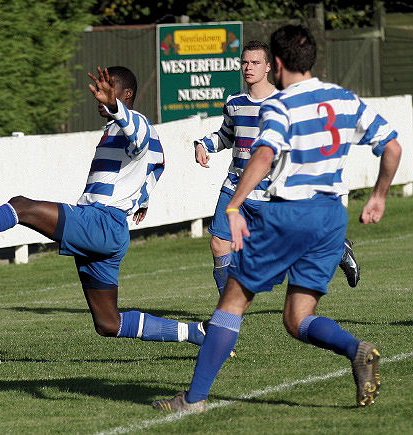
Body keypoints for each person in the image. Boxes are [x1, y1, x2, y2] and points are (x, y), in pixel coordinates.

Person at [153, 25, 401, 413]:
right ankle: (357, 349)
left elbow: (264, 155)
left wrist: (234, 204)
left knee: (232, 302)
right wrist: (379, 195)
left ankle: (193, 399)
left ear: (278, 63)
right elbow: (393, 146)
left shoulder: (280, 105)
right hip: (331, 217)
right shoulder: (344, 98)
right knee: (297, 317)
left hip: (289, 212)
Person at [0, 66, 208, 349]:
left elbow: (138, 136)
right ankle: (195, 333)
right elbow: (156, 164)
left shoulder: (137, 122)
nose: (100, 93)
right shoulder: (117, 131)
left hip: (101, 223)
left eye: (109, 88)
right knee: (108, 323)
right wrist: (142, 200)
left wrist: (116, 108)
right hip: (108, 231)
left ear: (126, 96)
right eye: (100, 88)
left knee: (22, 207)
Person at [194, 40, 360, 294]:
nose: (248, 68)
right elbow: (227, 136)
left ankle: (338, 249)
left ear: (268, 67)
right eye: (245, 62)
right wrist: (204, 144)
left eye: (255, 63)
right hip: (235, 187)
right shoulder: (234, 101)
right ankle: (226, 309)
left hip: (273, 192)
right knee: (219, 243)